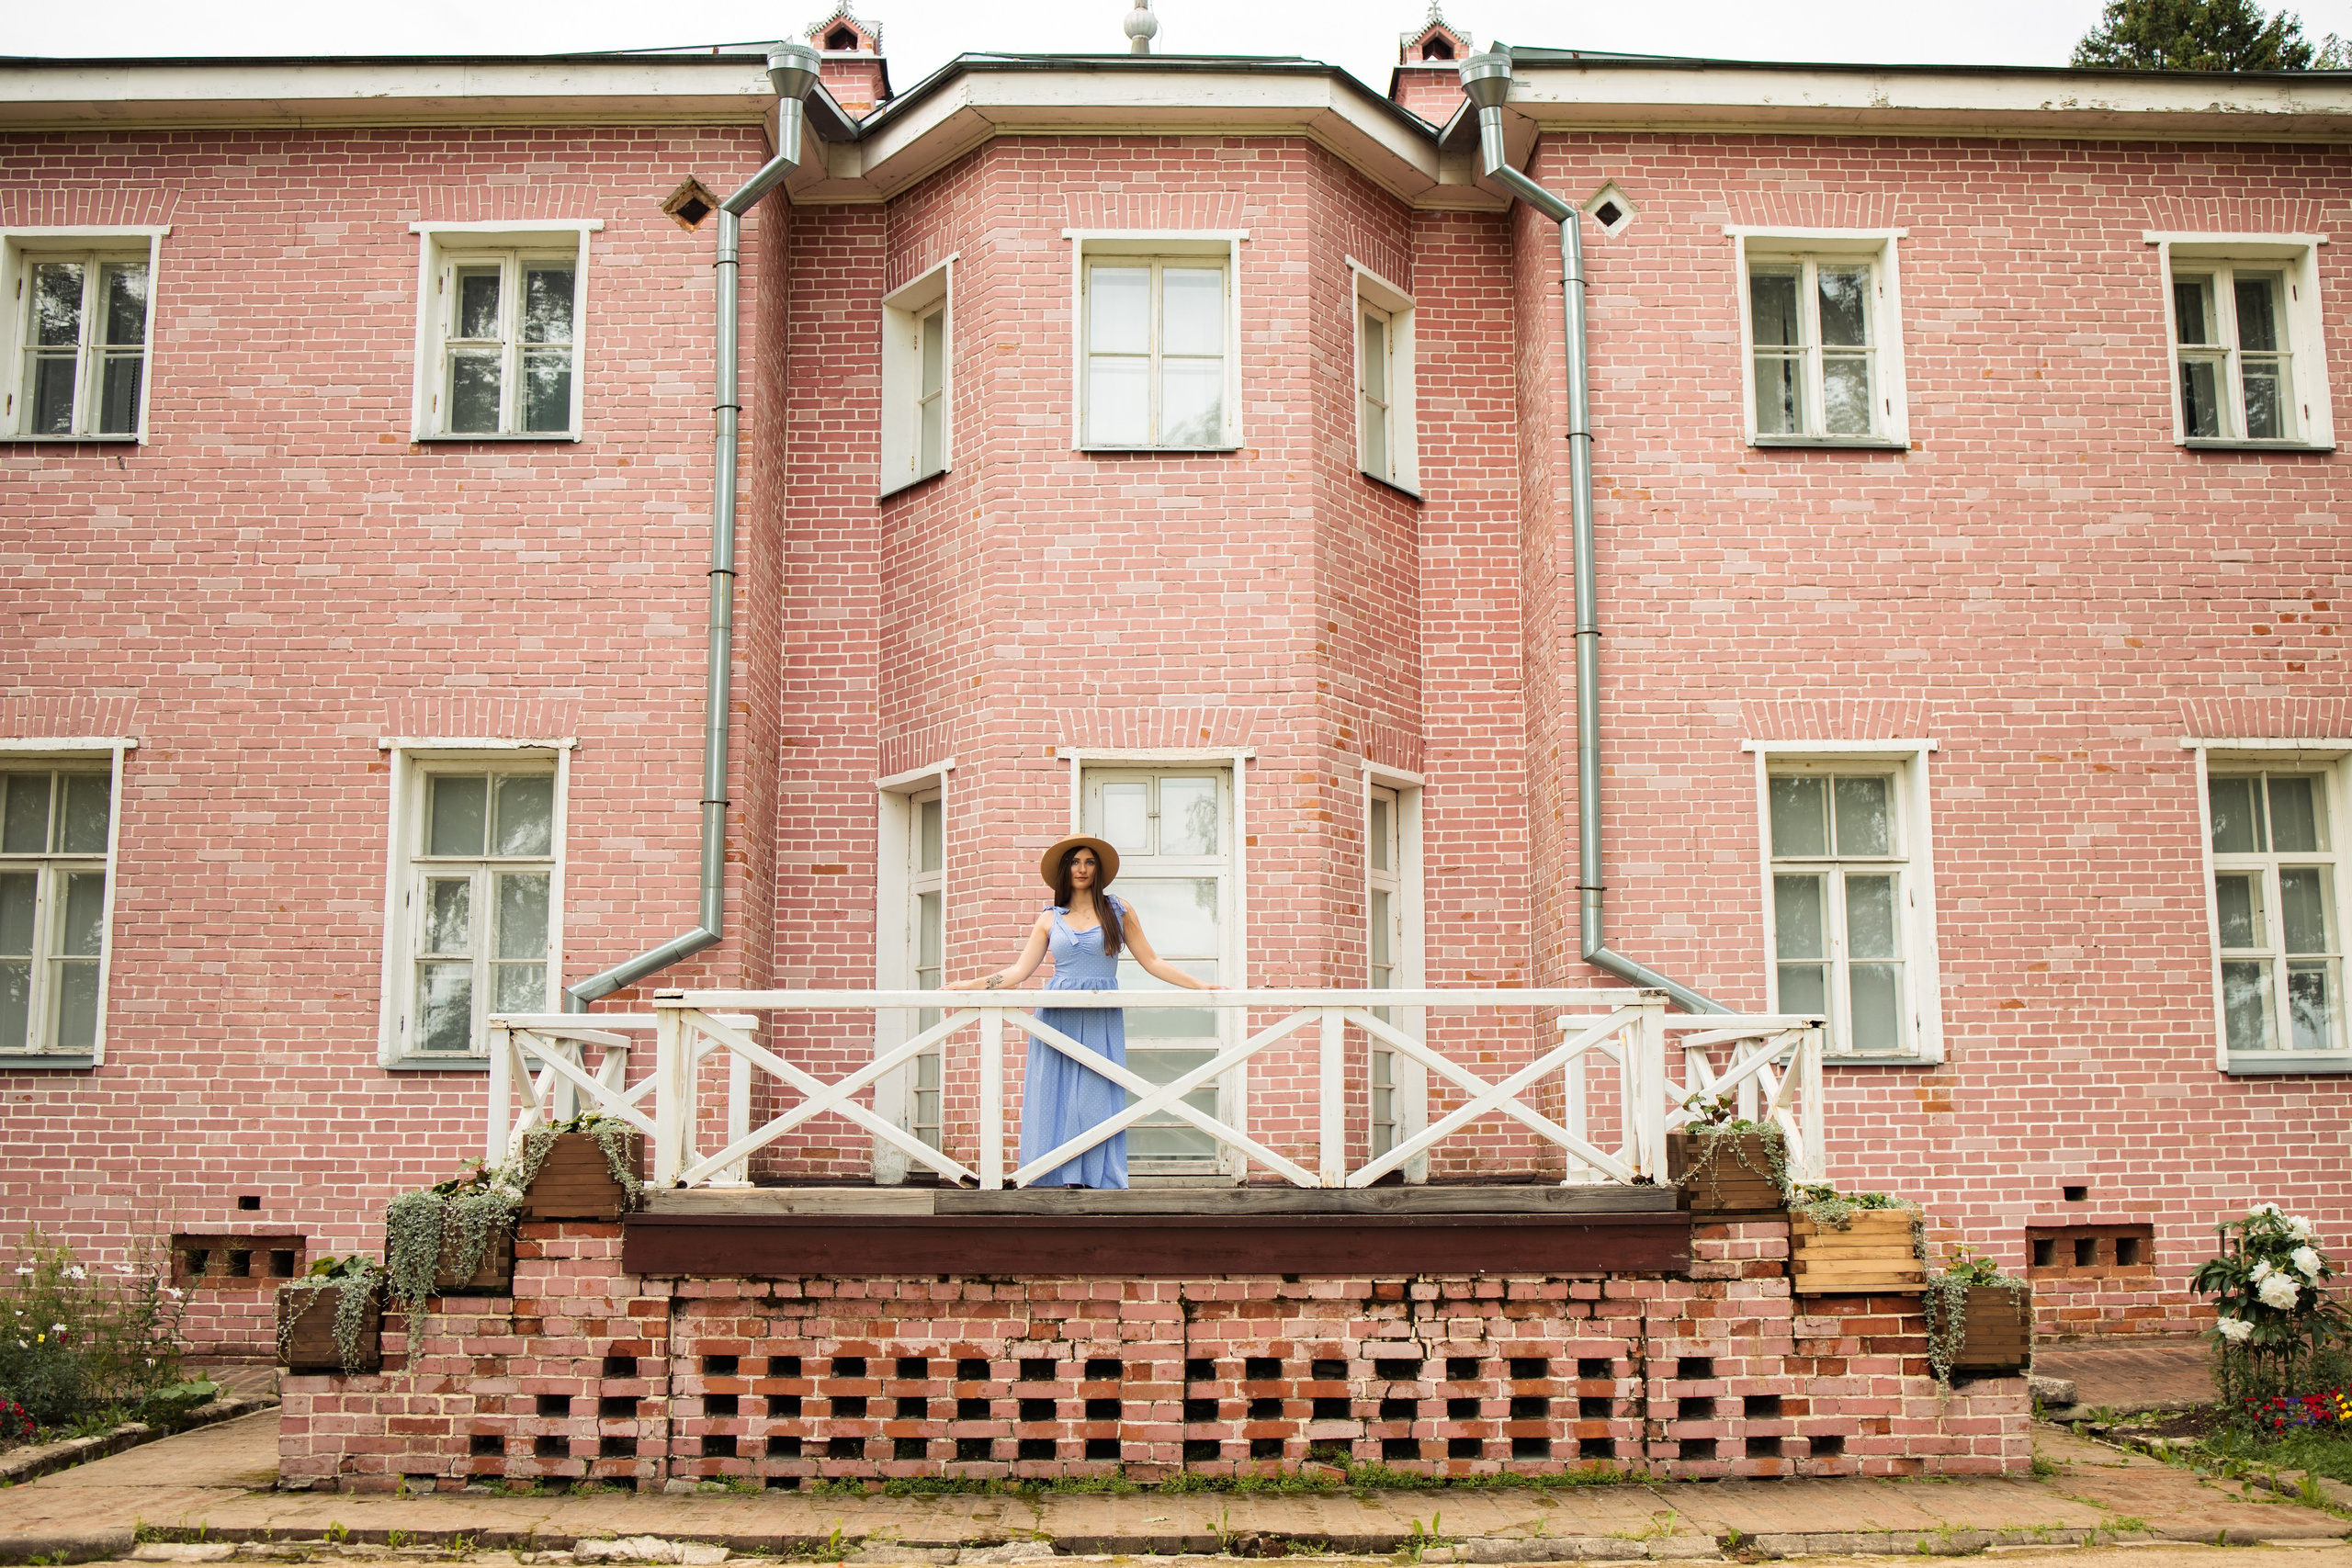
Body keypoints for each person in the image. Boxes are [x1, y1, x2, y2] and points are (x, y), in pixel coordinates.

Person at [948, 833, 1216, 1189]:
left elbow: (1151, 960)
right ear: (1065, 868)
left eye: (1089, 862)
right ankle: (1048, 1175)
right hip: (1057, 1012)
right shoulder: (1049, 918)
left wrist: (1200, 986)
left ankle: (1091, 1177)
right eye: (1075, 861)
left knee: (1095, 1092)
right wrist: (967, 986)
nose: (1082, 868)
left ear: (1098, 868)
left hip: (1100, 1010)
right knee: (1053, 1091)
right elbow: (1017, 972)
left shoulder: (1118, 910)